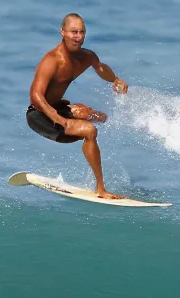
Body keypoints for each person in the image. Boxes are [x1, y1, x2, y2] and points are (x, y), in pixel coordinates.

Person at [27, 13, 128, 199]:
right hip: (40, 115)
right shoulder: (52, 61)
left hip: (59, 107)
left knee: (99, 117)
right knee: (89, 130)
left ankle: (80, 121)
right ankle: (101, 189)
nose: (78, 37)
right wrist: (59, 119)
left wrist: (115, 80)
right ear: (62, 32)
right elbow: (35, 96)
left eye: (82, 32)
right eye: (74, 32)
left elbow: (99, 67)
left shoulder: (86, 57)